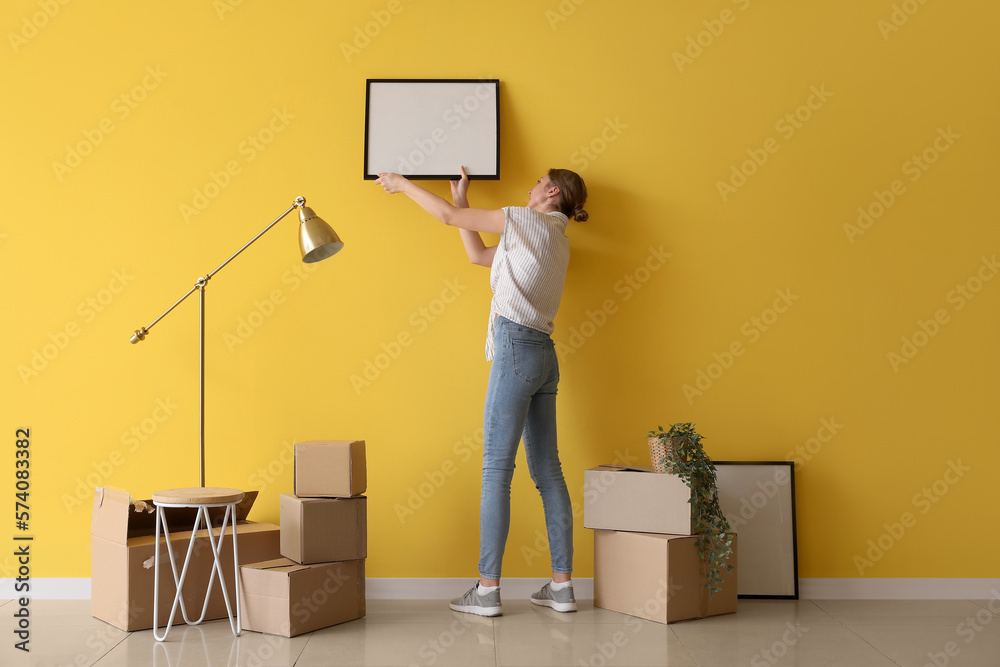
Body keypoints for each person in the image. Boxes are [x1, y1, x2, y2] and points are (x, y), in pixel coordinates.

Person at [375, 165, 588, 617]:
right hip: (544, 355)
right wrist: (463, 202)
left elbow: (448, 221)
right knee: (548, 472)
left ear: (551, 192)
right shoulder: (555, 238)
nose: (528, 186)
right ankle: (562, 587)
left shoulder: (527, 220)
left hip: (515, 349)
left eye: (536, 181)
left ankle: (488, 591)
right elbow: (476, 254)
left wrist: (403, 184)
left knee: (496, 470)